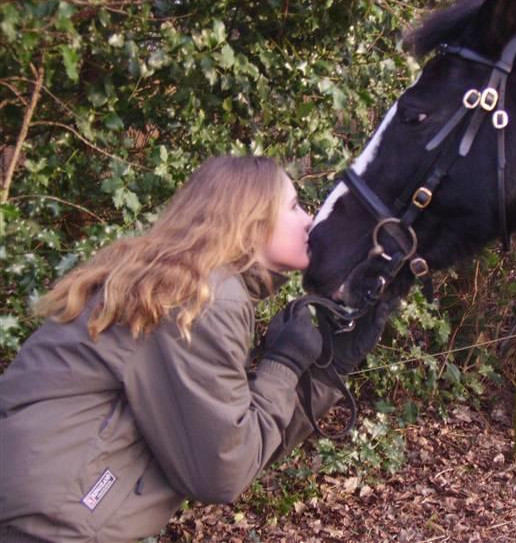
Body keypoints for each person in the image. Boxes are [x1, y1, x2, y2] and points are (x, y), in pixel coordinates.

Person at [0, 156, 393, 543]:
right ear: (249, 219)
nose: (308, 219)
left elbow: (234, 444)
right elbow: (223, 472)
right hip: (50, 522)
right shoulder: (203, 298)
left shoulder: (185, 283)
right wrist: (283, 364)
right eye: (293, 206)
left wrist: (328, 369)